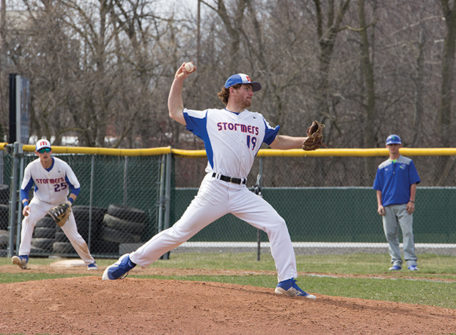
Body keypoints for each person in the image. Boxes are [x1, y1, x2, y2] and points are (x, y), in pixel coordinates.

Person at [102, 64, 317, 299]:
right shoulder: (211, 117)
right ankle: (128, 262)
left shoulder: (257, 120)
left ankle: (286, 282)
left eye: (252, 88)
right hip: (215, 188)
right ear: (232, 90)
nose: (251, 92)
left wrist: (304, 141)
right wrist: (179, 80)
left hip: (241, 191)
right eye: (246, 88)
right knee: (179, 233)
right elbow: (175, 112)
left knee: (277, 224)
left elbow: (276, 141)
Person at [11, 139, 97, 270]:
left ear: (51, 151)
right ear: (36, 153)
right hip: (40, 202)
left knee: (73, 235)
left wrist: (69, 203)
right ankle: (23, 257)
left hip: (61, 203)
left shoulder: (62, 166)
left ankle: (90, 261)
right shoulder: (32, 168)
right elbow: (24, 189)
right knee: (27, 219)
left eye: (47, 150)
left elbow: (76, 187)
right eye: (41, 151)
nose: (45, 153)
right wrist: (25, 204)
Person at [373, 134, 421, 271]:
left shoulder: (407, 163)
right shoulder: (382, 166)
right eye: (390, 145)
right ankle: (396, 261)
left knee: (407, 233)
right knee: (390, 234)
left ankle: (411, 262)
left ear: (400, 146)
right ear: (386, 146)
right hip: (387, 205)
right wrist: (379, 204)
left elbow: (413, 183)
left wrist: (411, 201)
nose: (393, 147)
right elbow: (378, 188)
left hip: (404, 204)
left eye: (395, 144)